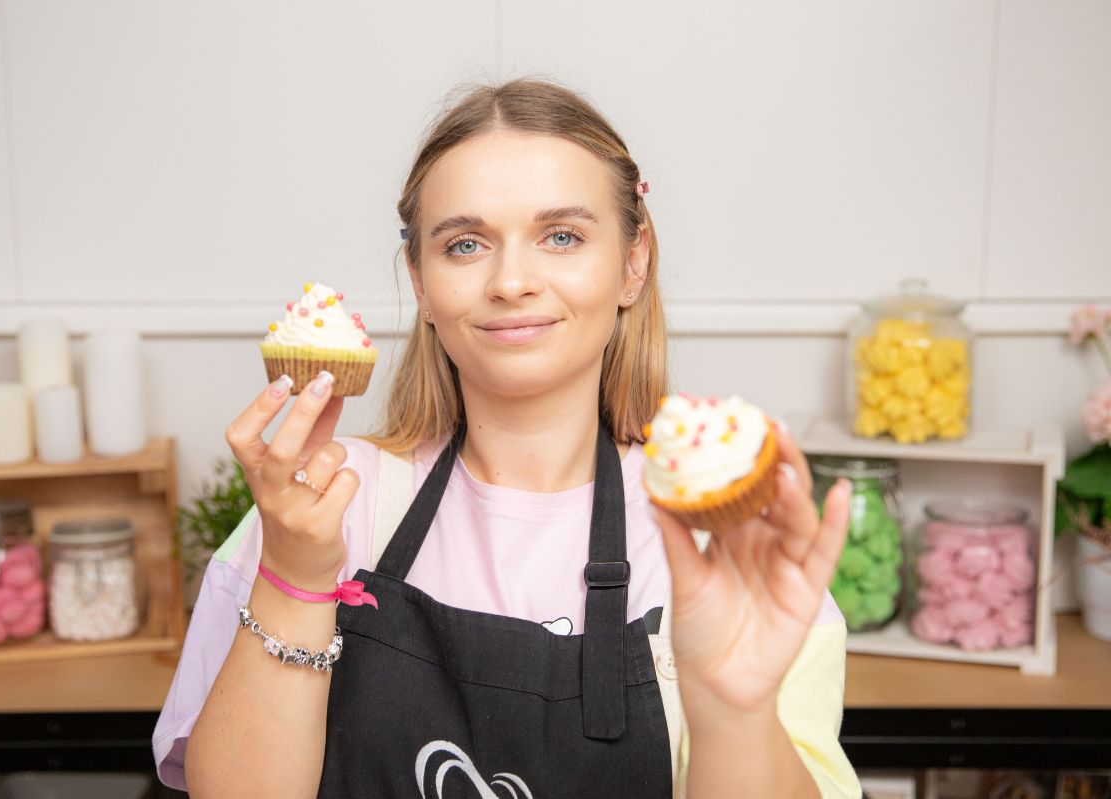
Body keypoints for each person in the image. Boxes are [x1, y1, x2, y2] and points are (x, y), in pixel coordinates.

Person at [153, 77, 862, 798]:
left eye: (562, 236)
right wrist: (297, 578)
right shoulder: (321, 504)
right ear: (421, 282)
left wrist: (734, 712)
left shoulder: (723, 546)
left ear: (633, 260)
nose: (512, 280)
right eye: (465, 244)